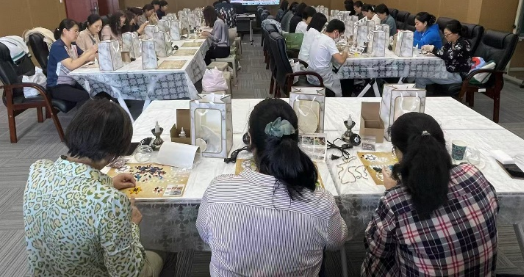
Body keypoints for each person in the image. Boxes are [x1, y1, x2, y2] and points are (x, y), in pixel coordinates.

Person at [197, 99, 348, 276]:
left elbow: (204, 234)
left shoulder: (217, 191)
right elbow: (337, 241)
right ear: (296, 138)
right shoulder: (321, 203)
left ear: (250, 139)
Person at [24, 99, 165, 277]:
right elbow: (127, 274)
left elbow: (71, 190)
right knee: (159, 249)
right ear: (115, 151)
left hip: (47, 272)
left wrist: (108, 182)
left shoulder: (38, 169)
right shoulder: (111, 202)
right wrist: (132, 225)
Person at [362, 112, 498, 276]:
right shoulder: (473, 173)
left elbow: (375, 248)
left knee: (376, 261)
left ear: (400, 153)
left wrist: (392, 191)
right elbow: (495, 209)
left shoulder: (394, 201)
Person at [46, 19, 97, 108]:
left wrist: (97, 53)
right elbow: (72, 65)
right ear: (65, 31)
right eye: (75, 31)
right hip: (58, 86)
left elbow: (86, 57)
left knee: (94, 89)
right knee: (84, 96)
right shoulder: (57, 46)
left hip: (72, 81)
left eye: (78, 31)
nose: (78, 33)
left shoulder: (73, 45)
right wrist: (89, 52)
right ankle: (82, 117)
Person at [416, 20, 472, 89]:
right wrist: (432, 53)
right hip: (446, 70)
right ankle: (419, 95)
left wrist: (433, 49)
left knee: (423, 73)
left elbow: (450, 56)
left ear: (456, 33)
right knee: (420, 77)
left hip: (457, 75)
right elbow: (442, 52)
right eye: (444, 34)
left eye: (447, 34)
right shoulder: (450, 42)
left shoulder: (464, 44)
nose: (445, 37)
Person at [307, 19, 350, 97]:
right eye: (340, 35)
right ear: (336, 32)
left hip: (311, 73)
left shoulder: (318, 36)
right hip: (322, 76)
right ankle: (339, 99)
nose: (339, 37)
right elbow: (341, 60)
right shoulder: (329, 41)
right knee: (341, 76)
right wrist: (345, 52)